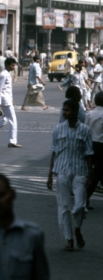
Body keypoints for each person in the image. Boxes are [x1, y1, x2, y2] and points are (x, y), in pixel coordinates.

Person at [47, 99, 94, 251]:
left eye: (67, 110)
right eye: (64, 110)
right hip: (61, 171)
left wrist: (90, 175)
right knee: (64, 206)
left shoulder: (85, 130)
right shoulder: (58, 129)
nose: (64, 113)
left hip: (80, 171)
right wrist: (49, 175)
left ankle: (78, 229)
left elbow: (88, 154)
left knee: (80, 205)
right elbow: (54, 152)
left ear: (74, 112)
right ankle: (69, 239)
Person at [0, 57, 21, 148]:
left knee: (4, 121)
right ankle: (12, 141)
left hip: (7, 99)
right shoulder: (4, 74)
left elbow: (8, 88)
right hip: (5, 100)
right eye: (12, 65)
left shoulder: (7, 73)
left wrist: (11, 98)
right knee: (13, 120)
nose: (14, 67)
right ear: (7, 65)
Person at [84, 91, 103, 209]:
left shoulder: (89, 114)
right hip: (101, 145)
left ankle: (84, 198)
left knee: (96, 171)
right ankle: (84, 198)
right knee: (98, 173)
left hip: (90, 144)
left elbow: (85, 129)